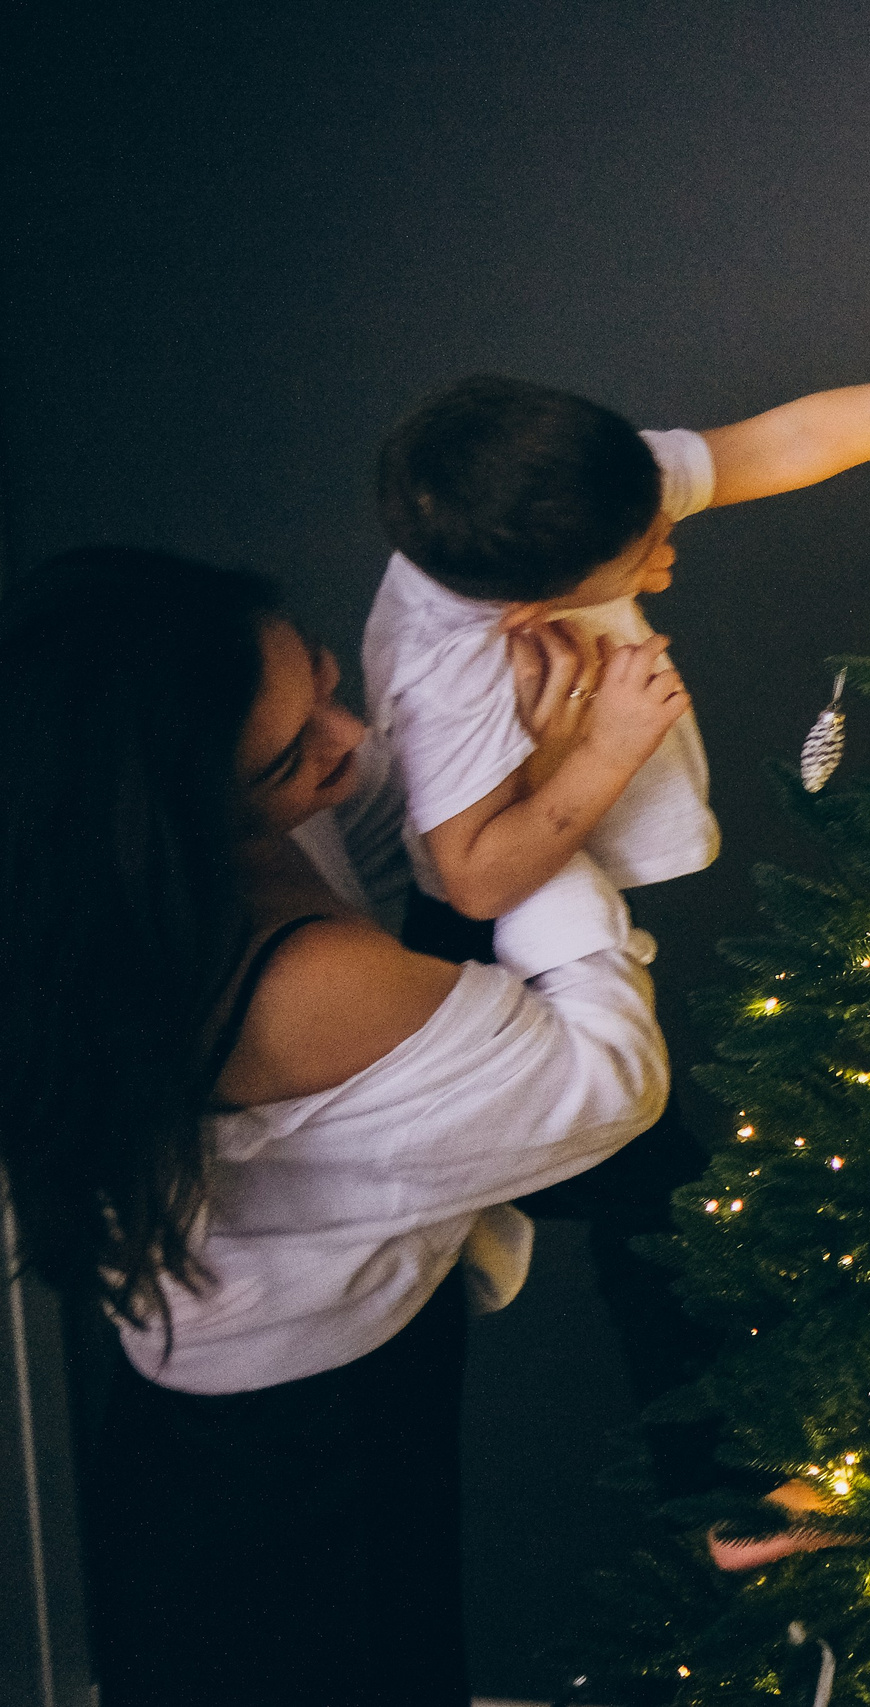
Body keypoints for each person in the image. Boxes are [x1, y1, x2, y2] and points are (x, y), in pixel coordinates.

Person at [367, 305, 870, 1506]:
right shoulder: (451, 664)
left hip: (551, 900)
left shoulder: (568, 497)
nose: (662, 549)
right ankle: (722, 1491)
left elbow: (766, 447)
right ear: (526, 609)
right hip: (478, 944)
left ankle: (712, 1475)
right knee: (660, 1205)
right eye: (636, 553)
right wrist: (611, 743)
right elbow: (475, 874)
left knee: (655, 1204)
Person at [0, 548, 672, 1706]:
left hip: (194, 1424)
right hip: (303, 1458)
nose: (349, 740)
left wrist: (489, 761)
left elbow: (381, 833)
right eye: (293, 753)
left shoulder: (120, 886)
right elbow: (610, 1084)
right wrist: (560, 805)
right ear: (179, 809)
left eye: (322, 679)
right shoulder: (298, 989)